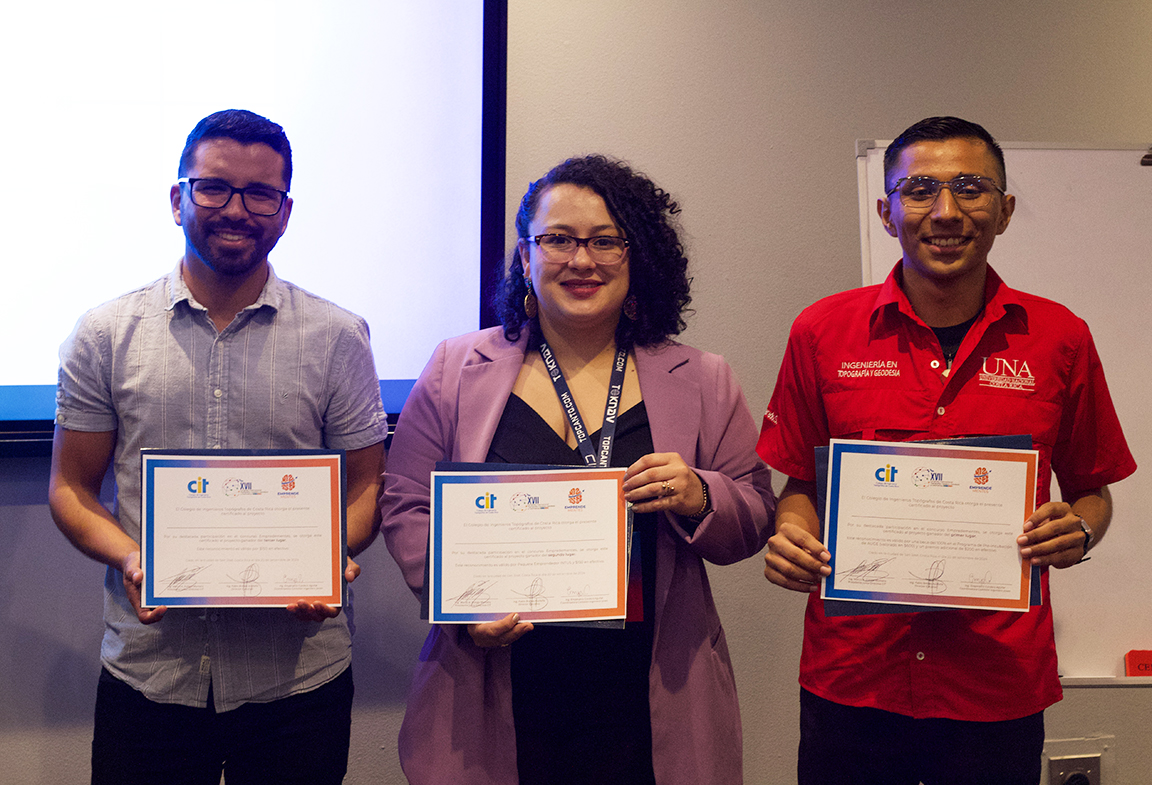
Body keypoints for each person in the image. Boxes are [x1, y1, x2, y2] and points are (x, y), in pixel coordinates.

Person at [756, 116, 1137, 785]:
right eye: (920, 190)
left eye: (970, 188)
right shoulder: (821, 331)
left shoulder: (1059, 337)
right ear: (887, 212)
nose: (946, 212)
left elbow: (1092, 490)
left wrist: (1079, 530)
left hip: (996, 685)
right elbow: (800, 486)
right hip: (853, 680)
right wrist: (792, 535)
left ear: (1005, 210)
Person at [380, 154, 774, 784]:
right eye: (558, 239)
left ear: (637, 255)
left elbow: (754, 513)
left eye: (605, 241)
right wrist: (459, 603)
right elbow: (406, 500)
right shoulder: (455, 367)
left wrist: (701, 493)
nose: (581, 260)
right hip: (495, 679)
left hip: (649, 695)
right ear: (525, 255)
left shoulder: (703, 377)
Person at [48, 109, 387, 785]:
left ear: (284, 214)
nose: (235, 209)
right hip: (151, 674)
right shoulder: (105, 333)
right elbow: (70, 489)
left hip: (298, 681)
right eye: (213, 188)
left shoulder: (338, 336)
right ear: (178, 200)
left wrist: (328, 556)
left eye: (260, 194)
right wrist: (132, 557)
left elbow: (366, 489)